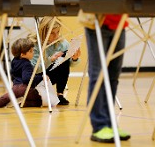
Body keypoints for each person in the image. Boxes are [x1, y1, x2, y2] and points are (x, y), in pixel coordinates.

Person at [85, 14, 131, 143]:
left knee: (113, 76)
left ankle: (110, 124)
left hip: (120, 22)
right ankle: (99, 126)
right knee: (98, 75)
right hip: (97, 19)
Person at [29, 16, 81, 105]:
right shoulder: (33, 43)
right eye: (52, 33)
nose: (56, 36)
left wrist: (75, 58)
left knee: (63, 57)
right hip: (37, 76)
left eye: (58, 32)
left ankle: (60, 94)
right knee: (59, 57)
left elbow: (71, 65)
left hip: (53, 76)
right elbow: (33, 69)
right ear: (43, 32)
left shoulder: (62, 43)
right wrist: (50, 60)